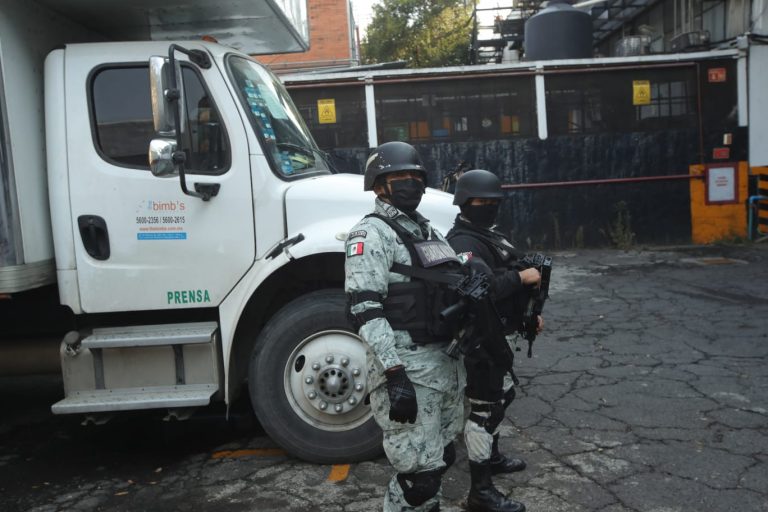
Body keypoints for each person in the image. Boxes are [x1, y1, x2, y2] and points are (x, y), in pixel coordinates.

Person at [345, 141, 467, 512]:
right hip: (407, 367)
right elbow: (365, 309)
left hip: (444, 364)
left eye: (416, 177)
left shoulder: (426, 230)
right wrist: (393, 373)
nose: (411, 183)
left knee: (442, 457)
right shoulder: (370, 235)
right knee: (419, 476)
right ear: (379, 185)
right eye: (401, 177)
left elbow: (451, 280)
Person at [447, 169, 544, 512]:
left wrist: (529, 313)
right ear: (464, 202)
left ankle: (492, 457)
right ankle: (480, 492)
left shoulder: (488, 235)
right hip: (479, 337)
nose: (488, 206)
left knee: (503, 394)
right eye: (481, 201)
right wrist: (521, 277)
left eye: (493, 201)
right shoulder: (463, 242)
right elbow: (482, 291)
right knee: (485, 410)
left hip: (498, 332)